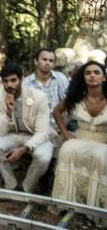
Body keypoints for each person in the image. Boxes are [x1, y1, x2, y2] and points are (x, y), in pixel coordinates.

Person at [52, 61, 107, 226]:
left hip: (103, 141)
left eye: (96, 72)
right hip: (80, 138)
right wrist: (65, 133)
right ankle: (67, 204)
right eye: (88, 73)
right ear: (83, 78)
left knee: (99, 155)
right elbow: (56, 111)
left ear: (104, 77)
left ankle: (94, 209)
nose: (92, 75)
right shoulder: (76, 97)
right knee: (67, 149)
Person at [0, 64, 54, 193]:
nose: (9, 85)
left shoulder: (39, 97)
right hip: (13, 135)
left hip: (37, 136)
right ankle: (10, 185)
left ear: (21, 79)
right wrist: (8, 111)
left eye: (13, 80)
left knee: (43, 157)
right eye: (5, 81)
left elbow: (42, 132)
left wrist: (24, 149)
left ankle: (26, 188)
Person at [23, 48, 69, 146]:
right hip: (37, 127)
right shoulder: (26, 83)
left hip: (59, 125)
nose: (47, 63)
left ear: (54, 64)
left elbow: (68, 103)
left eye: (51, 61)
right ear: (36, 61)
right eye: (44, 59)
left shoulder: (60, 78)